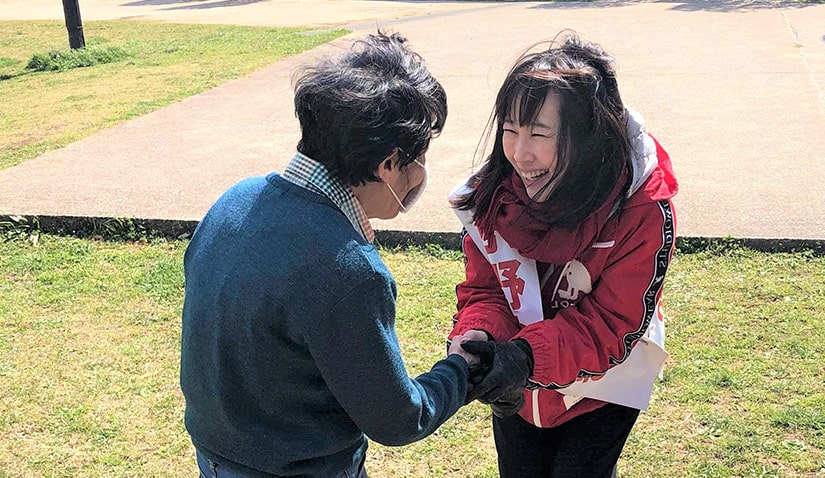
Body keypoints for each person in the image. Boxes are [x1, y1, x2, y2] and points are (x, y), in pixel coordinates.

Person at [180, 32, 481, 478]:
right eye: (419, 157)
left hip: (217, 455)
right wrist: (466, 369)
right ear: (389, 164)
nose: (421, 174)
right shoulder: (346, 269)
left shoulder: (235, 200)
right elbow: (397, 418)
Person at [449, 32, 679, 477]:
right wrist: (478, 335)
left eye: (539, 133)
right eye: (509, 131)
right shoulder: (492, 195)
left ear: (588, 136)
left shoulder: (642, 205)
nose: (520, 153)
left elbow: (613, 323)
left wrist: (524, 358)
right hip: (520, 387)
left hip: (604, 386)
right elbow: (487, 289)